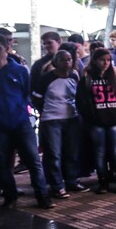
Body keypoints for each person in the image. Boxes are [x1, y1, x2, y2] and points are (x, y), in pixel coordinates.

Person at [0, 34, 53, 209]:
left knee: (33, 160)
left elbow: (26, 94)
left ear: (7, 49)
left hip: (20, 123)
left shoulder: (20, 71)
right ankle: (10, 196)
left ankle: (42, 196)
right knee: (3, 163)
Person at [32, 49, 83, 199]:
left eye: (69, 59)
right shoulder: (47, 78)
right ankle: (57, 186)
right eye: (62, 60)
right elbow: (36, 98)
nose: (66, 62)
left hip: (71, 118)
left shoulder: (74, 76)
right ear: (56, 62)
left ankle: (71, 181)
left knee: (71, 153)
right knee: (54, 154)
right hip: (52, 119)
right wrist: (43, 111)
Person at [76, 48, 116, 194]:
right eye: (102, 60)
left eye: (108, 60)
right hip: (96, 121)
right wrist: (90, 117)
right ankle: (103, 182)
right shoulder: (87, 77)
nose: (106, 63)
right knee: (99, 152)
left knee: (115, 152)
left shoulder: (113, 76)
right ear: (95, 60)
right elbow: (81, 100)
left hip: (113, 120)